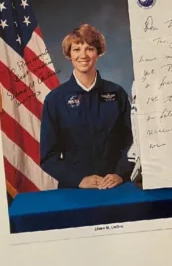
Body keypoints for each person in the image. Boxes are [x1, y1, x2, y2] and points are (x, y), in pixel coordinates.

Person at [40, 24, 133, 189]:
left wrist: (120, 174)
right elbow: (48, 157)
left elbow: (132, 143)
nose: (83, 55)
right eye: (76, 49)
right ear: (69, 55)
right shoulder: (55, 100)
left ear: (98, 53)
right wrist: (78, 180)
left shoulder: (117, 94)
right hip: (75, 191)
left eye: (89, 49)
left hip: (116, 187)